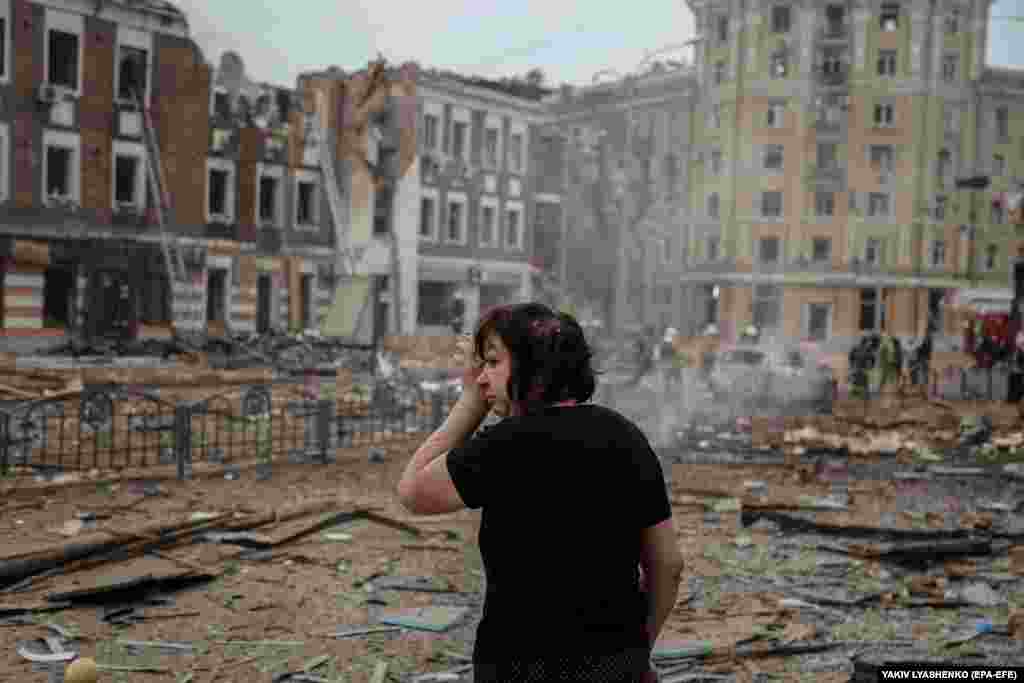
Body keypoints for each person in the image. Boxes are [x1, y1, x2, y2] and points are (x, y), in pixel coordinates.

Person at [397, 303, 684, 682]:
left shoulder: (503, 447)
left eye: (493, 363)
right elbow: (667, 564)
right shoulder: (626, 438)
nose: (482, 378)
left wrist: (470, 402)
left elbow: (412, 491)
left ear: (534, 367)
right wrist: (635, 654)